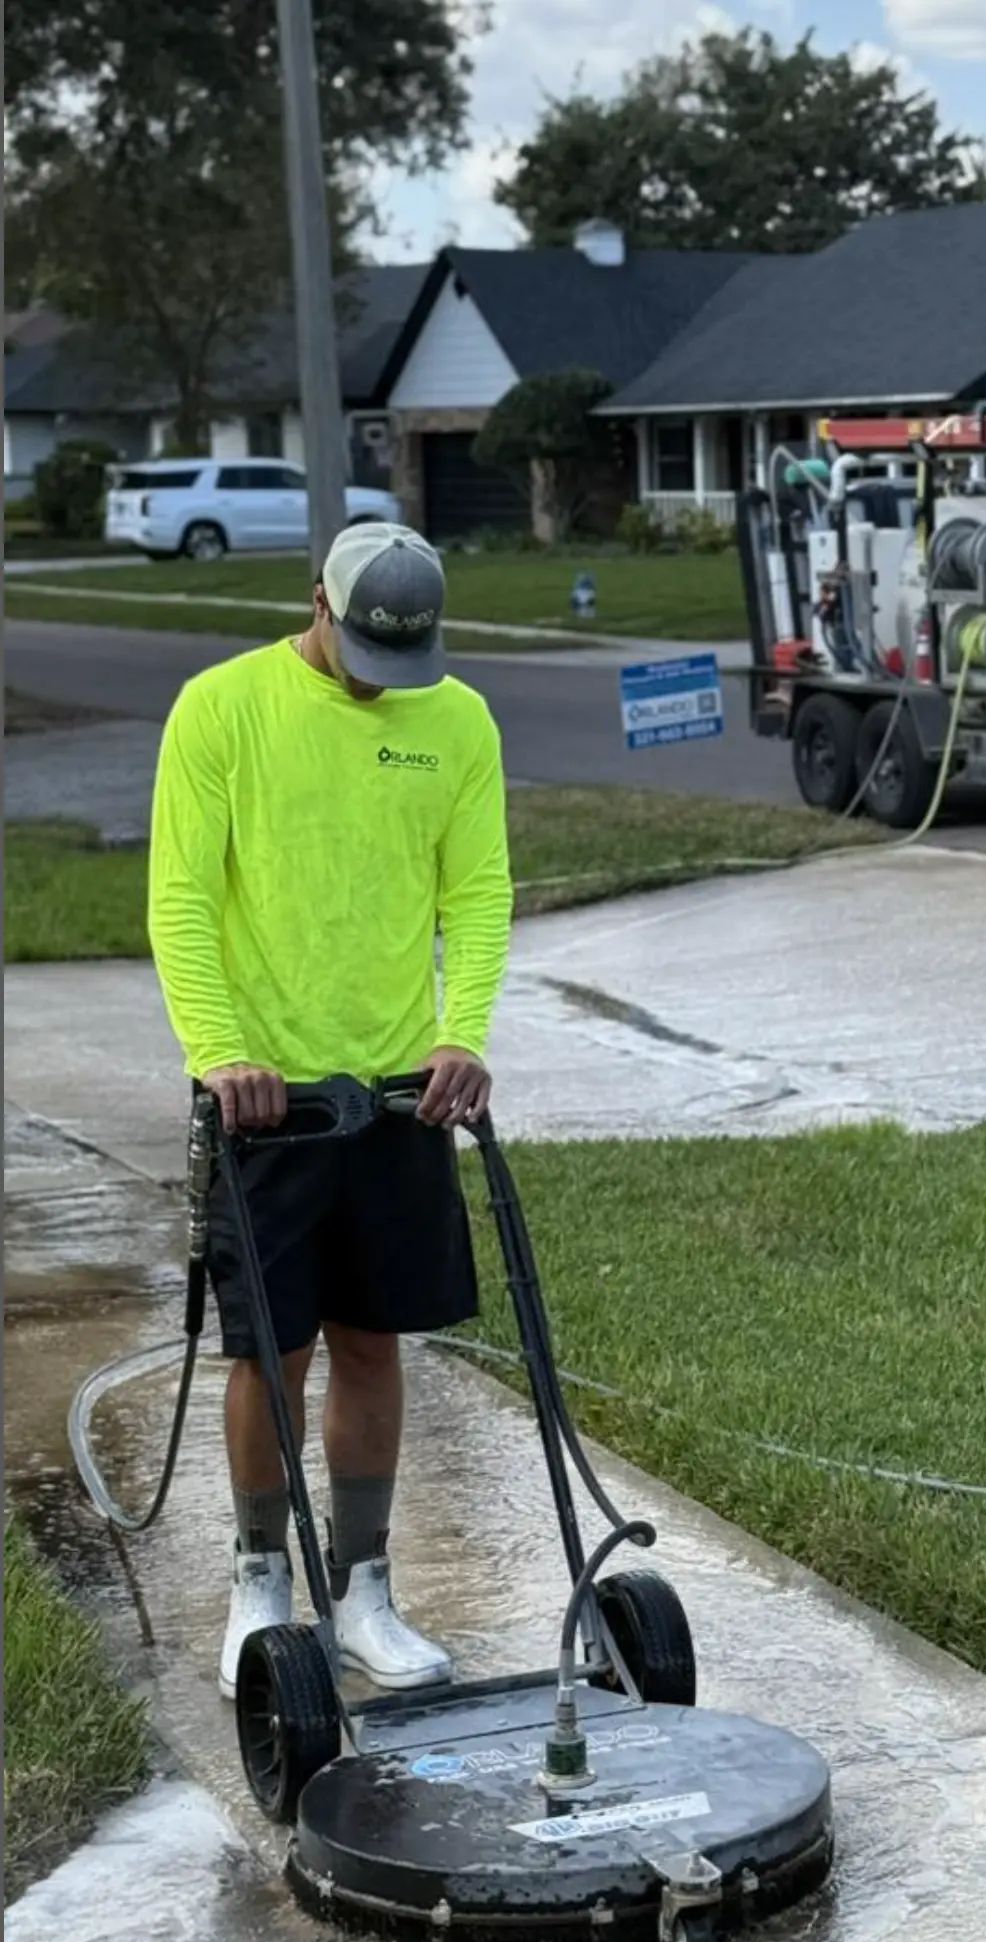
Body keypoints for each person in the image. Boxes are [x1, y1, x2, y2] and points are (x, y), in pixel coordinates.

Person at [147, 519, 513, 1700]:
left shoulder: (456, 719)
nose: (378, 677)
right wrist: (221, 1054)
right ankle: (261, 1583)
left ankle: (363, 1590)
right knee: (272, 1350)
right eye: (359, 647)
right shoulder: (220, 708)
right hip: (272, 1107)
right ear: (318, 600)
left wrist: (465, 1034)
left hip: (401, 1096)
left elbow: (481, 889)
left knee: (373, 1342)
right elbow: (182, 902)